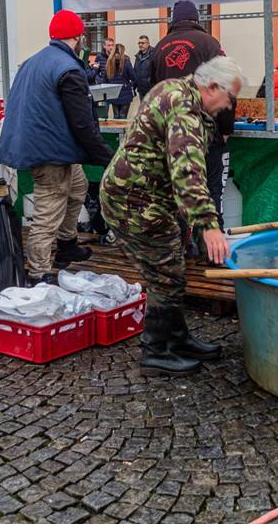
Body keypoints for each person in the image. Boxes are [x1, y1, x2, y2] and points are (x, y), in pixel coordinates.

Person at [100, 55, 241, 376]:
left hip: (151, 197)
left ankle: (176, 339)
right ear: (213, 86)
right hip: (134, 200)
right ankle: (156, 351)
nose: (229, 106)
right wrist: (208, 225)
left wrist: (189, 221)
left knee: (173, 265)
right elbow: (187, 169)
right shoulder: (183, 107)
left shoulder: (182, 94)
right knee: (165, 273)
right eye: (230, 98)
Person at [0, 10, 113, 282]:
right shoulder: (69, 69)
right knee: (48, 212)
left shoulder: (33, 61)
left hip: (41, 145)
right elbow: (81, 124)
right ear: (77, 37)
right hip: (49, 153)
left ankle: (67, 244)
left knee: (77, 186)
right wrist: (107, 157)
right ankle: (37, 274)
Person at [151, 0, 233, 233]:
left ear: (173, 20)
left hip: (173, 134)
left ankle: (183, 247)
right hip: (205, 132)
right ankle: (211, 250)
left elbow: (151, 91)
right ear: (197, 19)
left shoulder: (159, 47)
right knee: (210, 190)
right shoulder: (210, 44)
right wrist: (225, 129)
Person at [106, 43, 136, 118]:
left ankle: (116, 129)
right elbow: (134, 77)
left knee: (116, 116)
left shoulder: (109, 61)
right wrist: (131, 85)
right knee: (123, 116)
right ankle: (122, 129)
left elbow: (105, 78)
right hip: (125, 92)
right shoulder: (126, 61)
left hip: (113, 92)